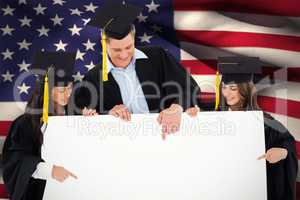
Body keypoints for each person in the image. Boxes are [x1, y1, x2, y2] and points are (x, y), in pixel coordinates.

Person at [75, 2, 203, 139]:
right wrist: (108, 113)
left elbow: (190, 87)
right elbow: (81, 114)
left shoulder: (157, 57)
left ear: (134, 39)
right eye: (117, 50)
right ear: (104, 44)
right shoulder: (94, 77)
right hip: (123, 145)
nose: (124, 55)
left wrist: (177, 107)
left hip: (165, 136)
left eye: (128, 47)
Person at [187, 57, 298, 200]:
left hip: (248, 190)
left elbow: (287, 142)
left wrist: (283, 152)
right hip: (216, 188)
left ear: (245, 90)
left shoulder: (263, 122)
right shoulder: (212, 117)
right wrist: (191, 118)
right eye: (224, 87)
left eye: (233, 88)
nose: (227, 93)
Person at [2, 52, 79, 200]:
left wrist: (90, 120)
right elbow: (16, 160)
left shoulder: (75, 118)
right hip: (39, 192)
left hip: (73, 189)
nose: (68, 94)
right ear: (47, 91)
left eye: (70, 88)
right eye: (62, 90)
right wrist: (49, 170)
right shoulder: (25, 124)